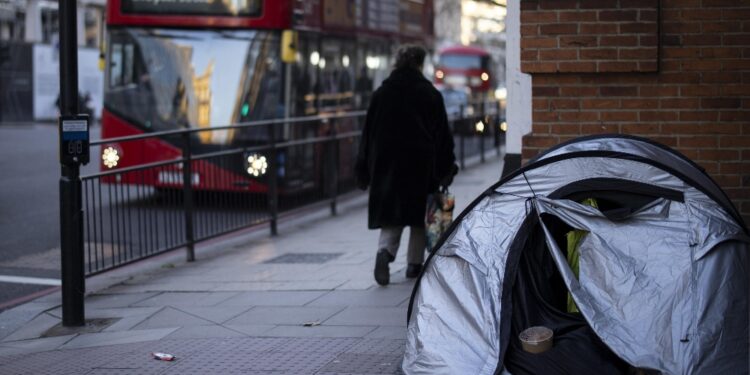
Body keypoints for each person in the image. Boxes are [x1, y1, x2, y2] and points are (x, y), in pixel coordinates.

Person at [355, 45, 457, 286]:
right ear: (421, 64)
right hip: (421, 165)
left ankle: (384, 253)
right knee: (421, 217)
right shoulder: (430, 94)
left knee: (393, 215)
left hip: (387, 166)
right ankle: (414, 264)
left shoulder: (382, 94)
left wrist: (364, 169)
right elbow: (442, 136)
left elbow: (367, 135)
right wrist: (446, 168)